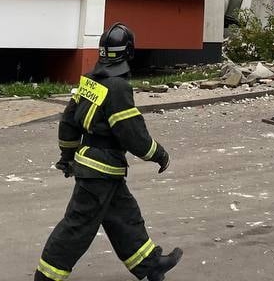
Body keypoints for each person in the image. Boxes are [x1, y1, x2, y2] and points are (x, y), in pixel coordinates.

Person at [33, 24, 182, 281]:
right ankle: (46, 276)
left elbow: (68, 121)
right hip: (100, 170)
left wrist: (67, 157)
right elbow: (132, 134)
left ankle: (151, 265)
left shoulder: (90, 82)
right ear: (129, 52)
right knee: (77, 226)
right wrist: (159, 154)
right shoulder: (118, 87)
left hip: (98, 169)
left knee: (125, 217)